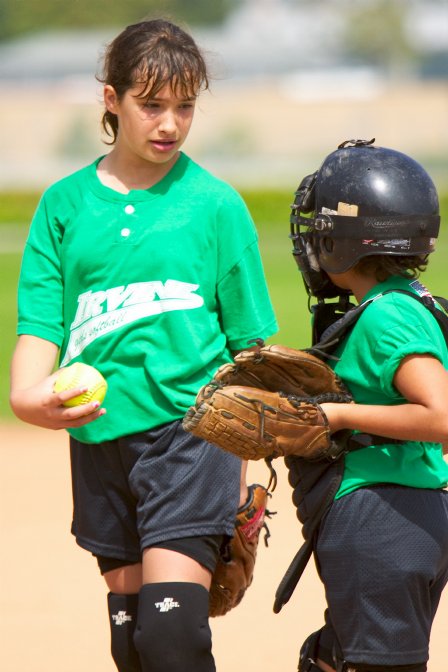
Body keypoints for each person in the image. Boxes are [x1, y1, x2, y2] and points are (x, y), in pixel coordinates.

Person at [9, 19, 277, 672]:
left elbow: (250, 348)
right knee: (132, 645)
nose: (170, 124)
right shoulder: (64, 204)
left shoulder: (215, 205)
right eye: (151, 104)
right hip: (101, 441)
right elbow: (42, 324)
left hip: (192, 438)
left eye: (184, 106)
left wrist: (241, 467)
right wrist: (25, 399)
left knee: (170, 639)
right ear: (111, 99)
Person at [285, 139, 448, 672]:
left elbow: (441, 415)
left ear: (344, 241)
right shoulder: (419, 303)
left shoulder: (385, 317)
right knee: (332, 658)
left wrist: (337, 415)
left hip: (381, 519)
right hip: (411, 515)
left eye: (320, 227)